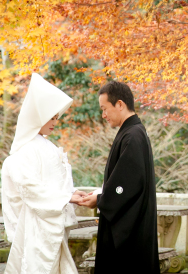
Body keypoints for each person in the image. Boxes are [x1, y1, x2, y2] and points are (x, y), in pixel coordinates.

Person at [1, 73, 87, 274]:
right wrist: (66, 197)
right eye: (51, 117)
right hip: (35, 225)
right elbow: (29, 188)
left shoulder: (46, 146)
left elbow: (54, 183)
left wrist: (70, 195)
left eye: (57, 117)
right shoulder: (26, 150)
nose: (55, 122)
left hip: (51, 220)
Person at [76, 81, 159, 274]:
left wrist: (101, 199)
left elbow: (127, 185)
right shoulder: (132, 132)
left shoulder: (133, 136)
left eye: (105, 109)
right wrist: (102, 195)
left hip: (132, 234)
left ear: (120, 104)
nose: (103, 115)